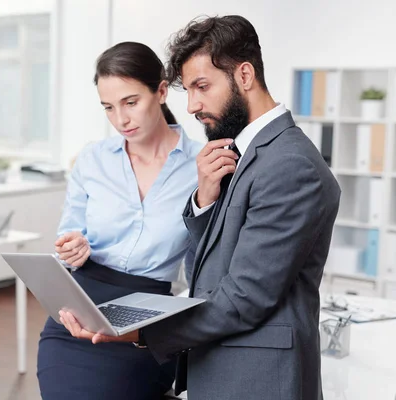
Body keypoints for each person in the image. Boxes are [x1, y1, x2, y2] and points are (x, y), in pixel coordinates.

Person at [59, 15, 341, 400]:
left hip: (258, 377)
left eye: (202, 87)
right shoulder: (244, 152)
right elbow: (210, 268)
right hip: (223, 364)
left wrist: (138, 331)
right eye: (188, 90)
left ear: (244, 75)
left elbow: (244, 297)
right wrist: (204, 201)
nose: (191, 106)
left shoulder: (290, 164)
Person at [37, 41, 202, 400]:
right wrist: (73, 247)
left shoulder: (201, 165)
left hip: (145, 325)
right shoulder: (92, 160)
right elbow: (69, 234)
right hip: (76, 317)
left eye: (130, 102)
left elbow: (209, 256)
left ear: (160, 91)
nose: (120, 119)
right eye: (108, 108)